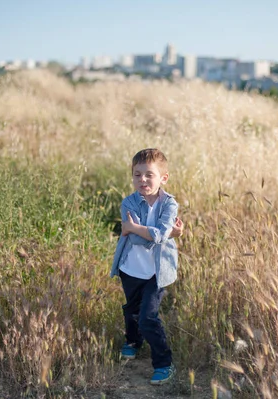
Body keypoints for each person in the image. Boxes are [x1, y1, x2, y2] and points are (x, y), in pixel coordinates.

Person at [110, 148, 183, 385]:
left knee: (147, 317)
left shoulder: (170, 204)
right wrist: (168, 233)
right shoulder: (128, 202)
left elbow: (158, 235)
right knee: (131, 311)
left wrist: (137, 229)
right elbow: (140, 239)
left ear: (163, 178)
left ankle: (164, 363)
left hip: (156, 273)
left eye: (149, 175)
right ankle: (132, 341)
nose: (142, 180)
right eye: (137, 174)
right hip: (130, 269)